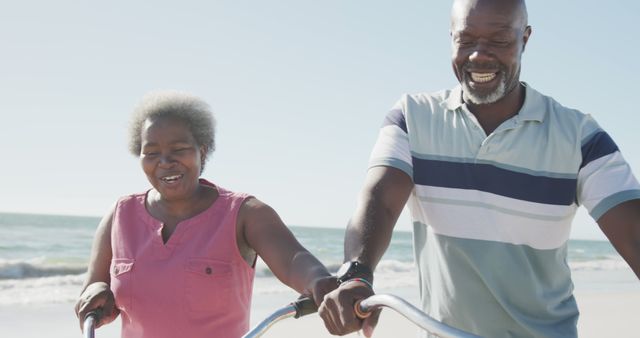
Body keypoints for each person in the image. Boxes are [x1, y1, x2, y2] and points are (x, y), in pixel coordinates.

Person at [318, 0, 640, 337]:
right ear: (451, 38)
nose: (479, 55)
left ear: (525, 39)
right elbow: (380, 201)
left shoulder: (579, 136)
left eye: (499, 40)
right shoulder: (412, 117)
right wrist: (356, 272)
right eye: (466, 40)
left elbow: (633, 233)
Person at [74, 91, 336, 338]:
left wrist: (320, 282)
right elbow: (94, 287)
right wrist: (97, 293)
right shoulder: (120, 216)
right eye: (152, 153)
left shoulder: (245, 213)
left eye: (178, 149)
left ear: (203, 150)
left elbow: (293, 260)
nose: (165, 161)